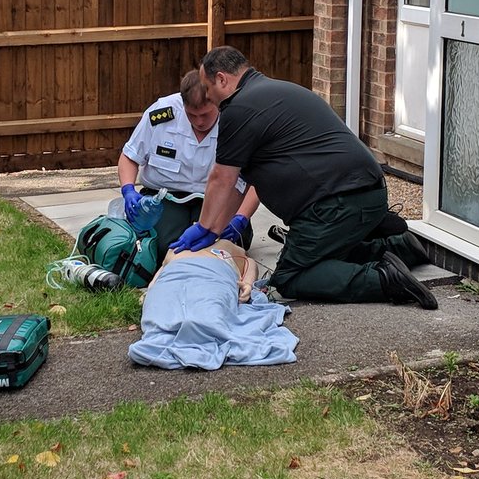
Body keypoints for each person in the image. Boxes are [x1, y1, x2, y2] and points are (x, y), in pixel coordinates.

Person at [170, 46, 438, 309]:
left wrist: (204, 227)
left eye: (207, 88)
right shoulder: (272, 92)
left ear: (221, 79)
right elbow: (240, 184)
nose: (207, 95)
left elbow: (221, 179)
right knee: (324, 258)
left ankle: (385, 280)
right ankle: (399, 248)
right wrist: (219, 228)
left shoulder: (238, 109)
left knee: (291, 277)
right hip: (364, 191)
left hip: (336, 203)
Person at [118, 69, 258, 265]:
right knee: (165, 247)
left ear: (216, 101)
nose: (199, 122)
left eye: (205, 114)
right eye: (192, 115)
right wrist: (128, 190)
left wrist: (241, 218)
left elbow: (256, 179)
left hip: (219, 199)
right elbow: (129, 157)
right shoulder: (162, 113)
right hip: (167, 196)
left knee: (223, 247)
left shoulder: (238, 119)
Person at [128, 240, 298, 369]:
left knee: (208, 312)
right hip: (174, 274)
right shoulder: (176, 247)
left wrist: (246, 285)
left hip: (214, 274)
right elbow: (158, 277)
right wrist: (152, 292)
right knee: (163, 308)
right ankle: (171, 324)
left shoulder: (229, 245)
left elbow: (249, 265)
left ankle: (198, 325)